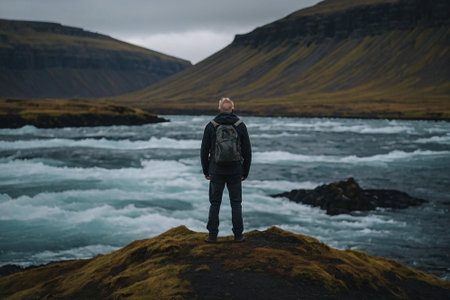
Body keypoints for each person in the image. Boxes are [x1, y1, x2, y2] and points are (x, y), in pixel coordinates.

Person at [200, 97, 252, 242]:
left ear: (218, 110)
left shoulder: (211, 126)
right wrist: (245, 171)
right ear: (233, 110)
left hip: (216, 170)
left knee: (215, 203)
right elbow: (247, 151)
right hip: (235, 171)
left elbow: (204, 151)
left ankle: (212, 236)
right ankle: (238, 235)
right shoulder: (240, 125)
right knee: (236, 203)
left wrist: (206, 170)